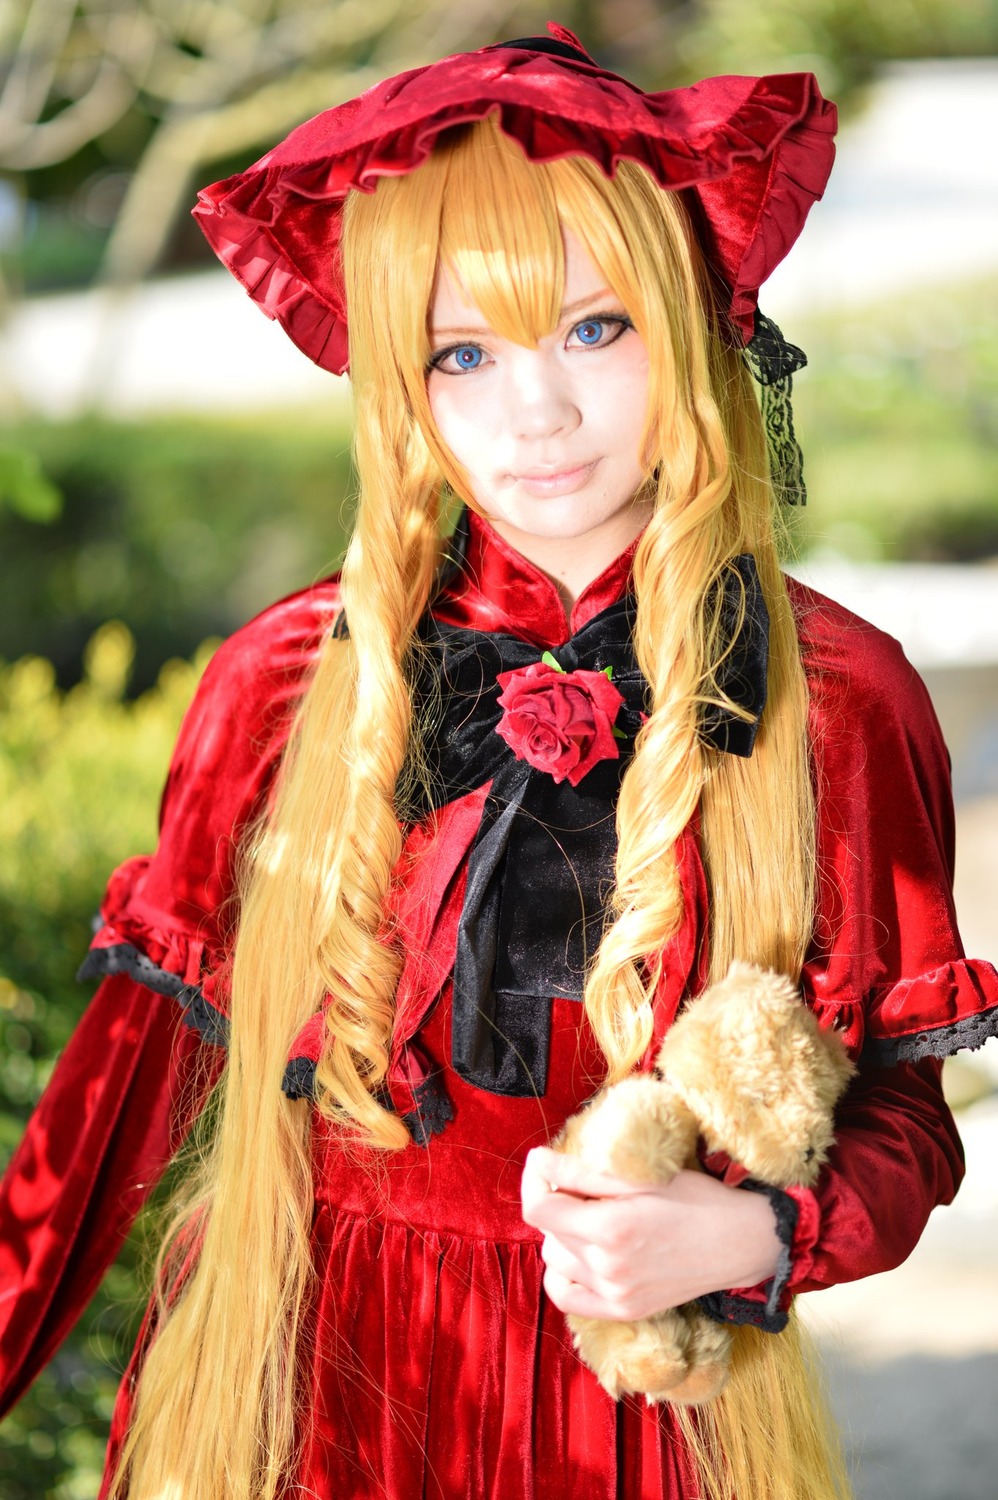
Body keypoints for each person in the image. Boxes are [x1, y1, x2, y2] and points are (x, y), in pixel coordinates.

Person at [1, 23, 995, 1500]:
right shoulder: (284, 683)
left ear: (687, 323)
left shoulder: (829, 696)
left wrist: (753, 1236)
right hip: (310, 1394)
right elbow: (110, 1106)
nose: (533, 412)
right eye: (459, 353)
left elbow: (899, 1117)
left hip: (639, 1412)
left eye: (594, 330)